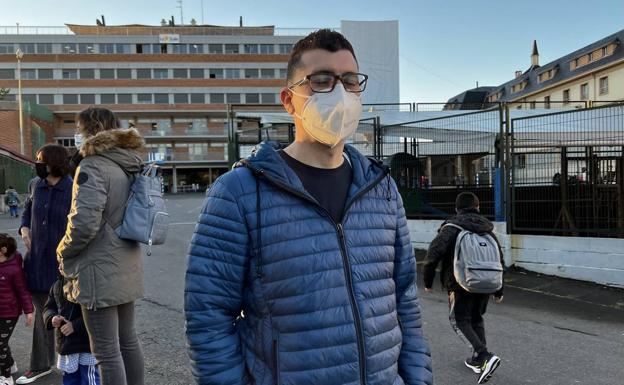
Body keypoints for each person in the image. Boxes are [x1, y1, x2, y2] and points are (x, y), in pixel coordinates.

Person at [185, 29, 433, 385]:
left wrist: (417, 378)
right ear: (289, 101)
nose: (340, 93)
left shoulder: (382, 190)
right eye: (321, 81)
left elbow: (405, 300)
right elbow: (207, 316)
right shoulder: (239, 192)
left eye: (349, 81)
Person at [56, 107, 145, 385]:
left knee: (106, 351)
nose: (77, 133)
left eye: (79, 127)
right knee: (127, 341)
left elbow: (84, 223)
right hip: (126, 262)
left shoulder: (93, 165)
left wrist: (63, 251)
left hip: (98, 267)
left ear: (90, 129)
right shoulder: (126, 162)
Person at [423, 192, 504, 384]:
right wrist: (499, 289)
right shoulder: (487, 229)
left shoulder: (451, 227)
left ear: (457, 208)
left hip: (459, 283)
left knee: (459, 320)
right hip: (486, 282)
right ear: (478, 206)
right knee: (476, 318)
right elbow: (498, 259)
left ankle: (484, 356)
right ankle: (478, 360)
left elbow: (434, 253)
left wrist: (427, 281)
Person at [17, 145, 72, 385]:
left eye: (41, 160)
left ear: (54, 162)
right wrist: (25, 229)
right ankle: (41, 365)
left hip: (65, 266)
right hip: (37, 263)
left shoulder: (74, 188)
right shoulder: (35, 185)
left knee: (70, 317)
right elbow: (27, 211)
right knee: (43, 315)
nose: (37, 164)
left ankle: (77, 363)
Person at [43, 277, 100, 385]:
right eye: (59, 263)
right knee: (70, 379)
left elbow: (95, 313)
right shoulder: (57, 285)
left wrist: (75, 326)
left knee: (89, 378)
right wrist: (52, 318)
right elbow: (49, 307)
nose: (61, 266)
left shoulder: (87, 283)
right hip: (67, 344)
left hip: (86, 344)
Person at [0, 233, 35, 385]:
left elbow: (23, 291)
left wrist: (29, 311)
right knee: (2, 342)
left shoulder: (14, 270)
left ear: (2, 250)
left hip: (8, 313)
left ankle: (6, 376)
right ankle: (11, 364)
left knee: (0, 343)